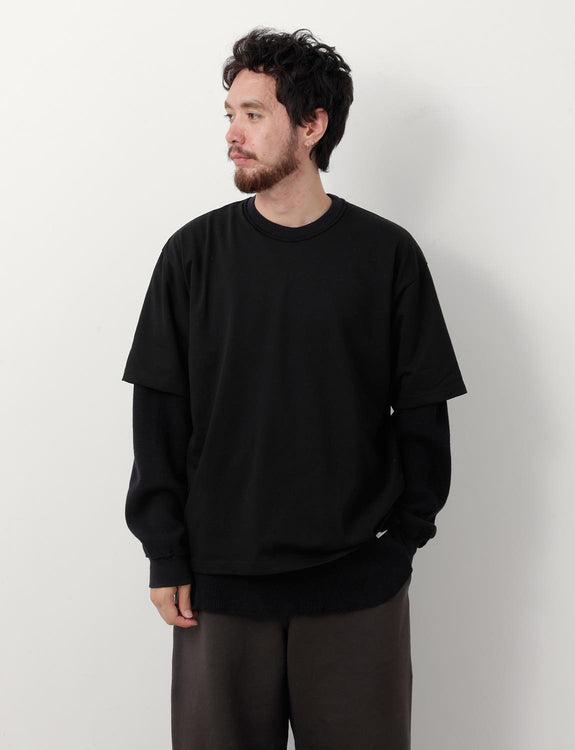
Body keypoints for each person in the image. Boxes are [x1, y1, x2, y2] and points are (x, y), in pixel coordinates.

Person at [122, 26, 468, 750]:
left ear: (312, 126)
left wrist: (402, 542)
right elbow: (158, 414)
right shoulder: (192, 255)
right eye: (229, 114)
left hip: (356, 589)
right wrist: (165, 552)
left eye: (253, 114)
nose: (232, 134)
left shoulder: (386, 255)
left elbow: (423, 411)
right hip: (218, 591)